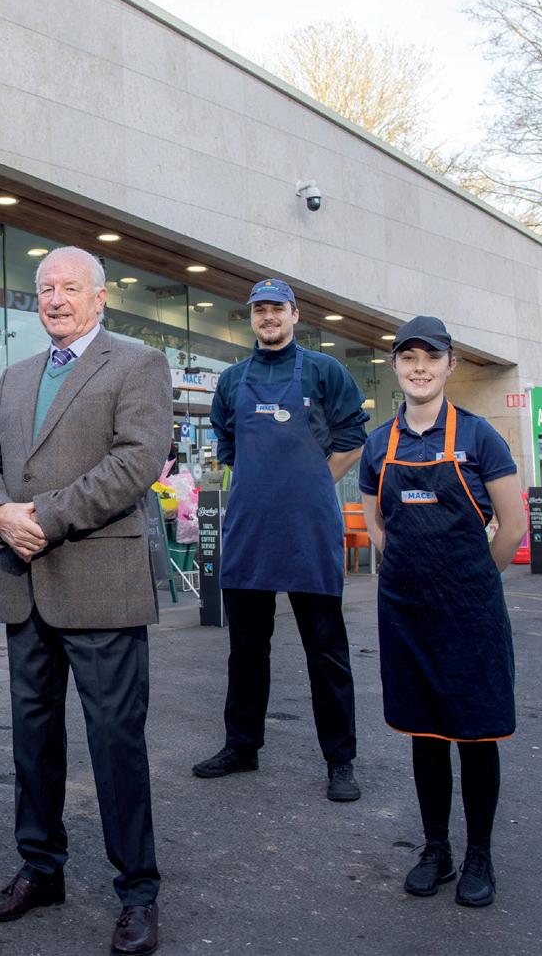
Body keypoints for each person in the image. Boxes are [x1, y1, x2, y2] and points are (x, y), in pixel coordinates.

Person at [0, 246, 172, 956]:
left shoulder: (138, 363)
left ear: (100, 297)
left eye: (70, 288)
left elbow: (136, 462)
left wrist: (43, 517)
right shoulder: (16, 376)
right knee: (33, 740)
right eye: (45, 288)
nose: (55, 299)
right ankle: (41, 868)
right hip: (22, 585)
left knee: (115, 745)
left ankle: (138, 891)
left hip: (100, 585)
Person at [359, 315, 526, 907]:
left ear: (450, 364)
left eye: (431, 357)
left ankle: (479, 853)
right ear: (395, 366)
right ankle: (437, 849)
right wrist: (413, 574)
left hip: (470, 611)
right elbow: (376, 525)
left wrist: (473, 582)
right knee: (425, 732)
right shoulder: (379, 444)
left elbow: (513, 526)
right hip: (407, 611)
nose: (420, 368)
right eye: (408, 358)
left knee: (476, 733)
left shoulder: (480, 438)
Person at [191, 278, 369, 802]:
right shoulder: (233, 379)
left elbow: (352, 438)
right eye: (259, 310)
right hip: (250, 529)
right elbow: (228, 444)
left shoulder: (324, 371)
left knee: (326, 651)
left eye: (276, 308)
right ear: (251, 317)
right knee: (246, 650)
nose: (268, 317)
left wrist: (313, 481)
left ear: (294, 314)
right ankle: (242, 745)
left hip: (309, 529)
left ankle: (340, 760)